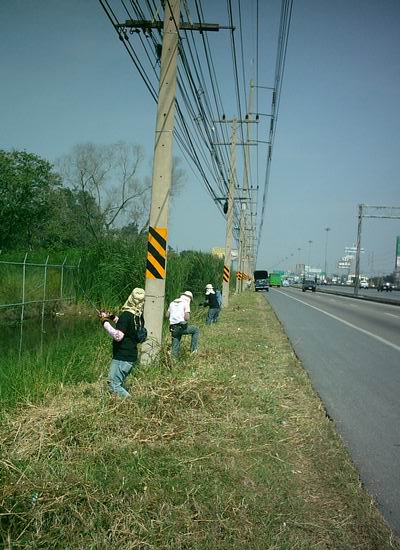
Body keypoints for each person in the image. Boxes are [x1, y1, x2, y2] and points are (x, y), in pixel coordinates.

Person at [99, 287, 146, 397]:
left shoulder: (126, 315)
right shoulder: (138, 316)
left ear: (130, 298)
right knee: (117, 383)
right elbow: (127, 326)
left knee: (113, 384)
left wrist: (104, 322)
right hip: (130, 356)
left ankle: (132, 405)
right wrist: (111, 317)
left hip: (122, 357)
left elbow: (118, 336)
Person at [166, 291, 199, 358]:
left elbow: (167, 315)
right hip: (181, 327)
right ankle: (193, 351)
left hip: (173, 328)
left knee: (175, 344)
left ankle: (173, 360)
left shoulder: (172, 303)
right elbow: (187, 318)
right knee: (196, 329)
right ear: (189, 298)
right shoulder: (185, 303)